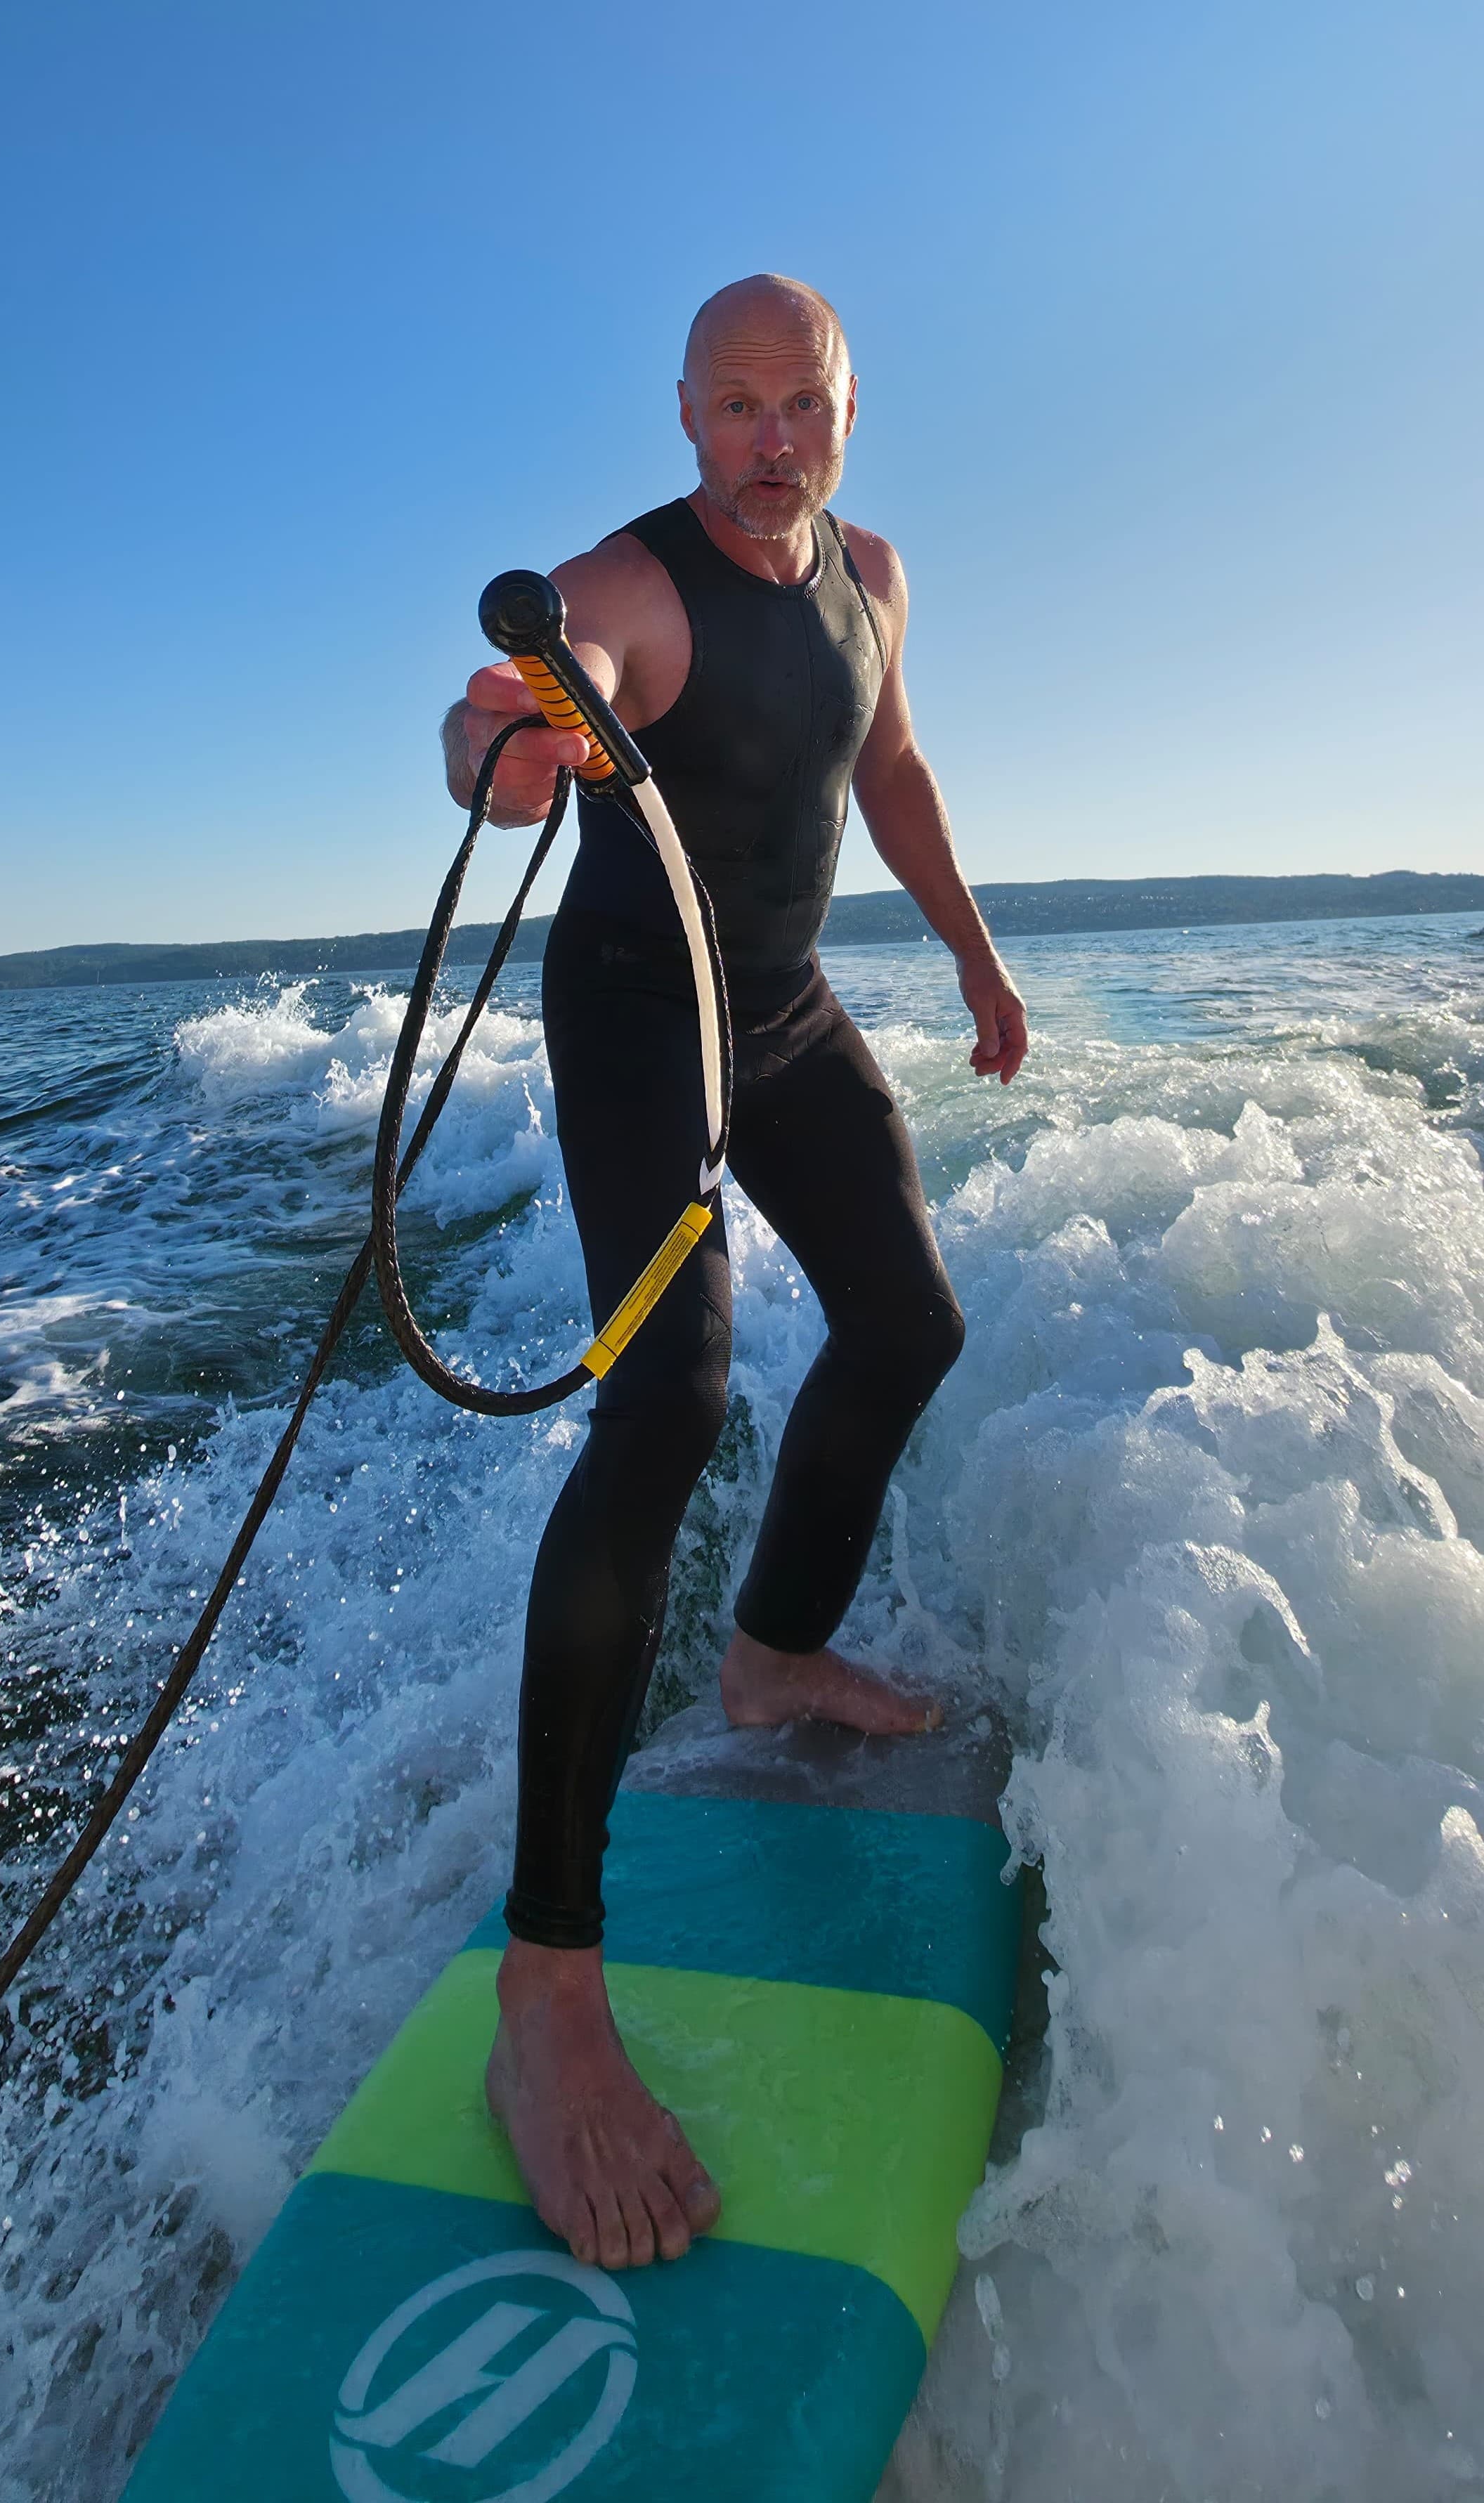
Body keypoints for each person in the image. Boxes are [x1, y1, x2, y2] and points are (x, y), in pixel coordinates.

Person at [440, 273, 1028, 2273]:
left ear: (850, 407)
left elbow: (893, 771)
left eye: (808, 403)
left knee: (908, 1320)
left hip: (774, 1007)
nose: (774, 441)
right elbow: (527, 694)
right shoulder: (644, 583)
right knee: (670, 1400)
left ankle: (773, 1646)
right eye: (738, 407)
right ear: (687, 416)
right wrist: (514, 733)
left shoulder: (872, 573)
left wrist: (970, 947)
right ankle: (546, 1979)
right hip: (631, 1017)